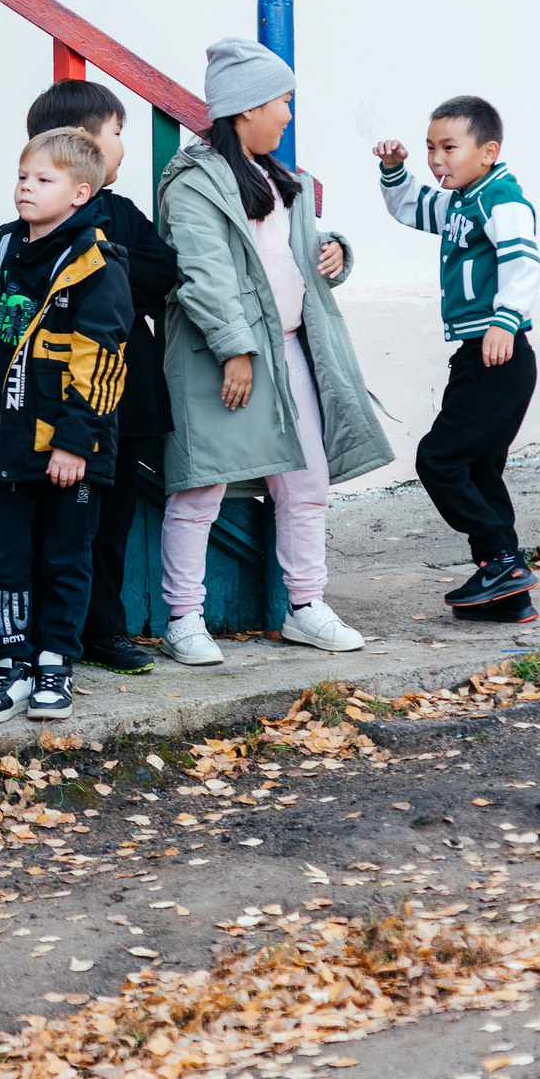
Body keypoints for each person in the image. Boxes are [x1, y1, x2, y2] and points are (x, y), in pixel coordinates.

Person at [155, 39, 392, 665]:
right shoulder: (194, 183)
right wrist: (236, 350)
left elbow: (289, 253)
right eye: (282, 102)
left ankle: (305, 606)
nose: (288, 115)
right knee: (200, 488)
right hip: (222, 356)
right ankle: (183, 618)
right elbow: (202, 272)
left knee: (306, 482)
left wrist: (335, 249)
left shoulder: (277, 178)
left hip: (289, 350)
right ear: (245, 108)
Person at [0, 128, 132, 726]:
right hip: (9, 438)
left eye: (44, 180)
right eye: (22, 177)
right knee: (6, 555)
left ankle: (54, 663)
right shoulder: (6, 246)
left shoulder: (96, 261)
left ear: (81, 193)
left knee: (65, 554)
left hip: (70, 448)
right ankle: (7, 665)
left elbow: (103, 357)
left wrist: (74, 441)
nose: (26, 188)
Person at [23, 79, 181, 675]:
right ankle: (52, 631)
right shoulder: (35, 221)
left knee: (111, 521)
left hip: (128, 393)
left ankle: (105, 630)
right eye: (117, 133)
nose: (122, 146)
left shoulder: (118, 215)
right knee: (58, 526)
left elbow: (163, 269)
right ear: (83, 139)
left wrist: (101, 265)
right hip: (58, 403)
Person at [376, 95, 540, 624]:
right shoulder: (460, 201)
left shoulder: (502, 199)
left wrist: (505, 319)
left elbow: (523, 260)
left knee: (440, 459)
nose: (436, 159)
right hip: (482, 354)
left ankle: (502, 560)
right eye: (430, 148)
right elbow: (409, 207)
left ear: (488, 151)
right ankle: (509, 597)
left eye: (449, 147)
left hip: (498, 353)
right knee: (479, 469)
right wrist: (394, 170)